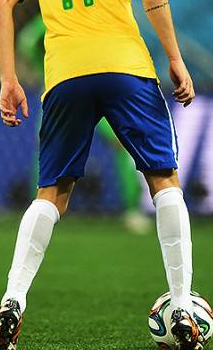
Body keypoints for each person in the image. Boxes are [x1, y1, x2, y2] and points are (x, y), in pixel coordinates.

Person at [0, 0, 200, 350]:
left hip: (65, 74)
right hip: (126, 68)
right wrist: (175, 58)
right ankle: (182, 304)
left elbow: (0, 3)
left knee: (52, 194)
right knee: (163, 181)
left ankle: (12, 300)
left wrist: (8, 79)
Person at [17, 15, 153, 233]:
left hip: (76, 87)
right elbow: (27, 41)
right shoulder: (69, 9)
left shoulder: (71, 8)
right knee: (52, 148)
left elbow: (27, 41)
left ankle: (131, 209)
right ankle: (42, 209)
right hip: (85, 86)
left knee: (119, 144)